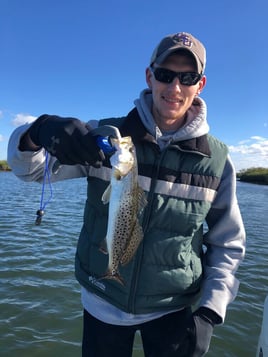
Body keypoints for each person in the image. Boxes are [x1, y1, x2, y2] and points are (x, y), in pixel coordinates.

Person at [8, 32, 246, 357]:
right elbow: (31, 171)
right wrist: (36, 132)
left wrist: (210, 311)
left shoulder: (216, 161)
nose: (175, 88)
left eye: (187, 78)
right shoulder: (105, 138)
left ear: (199, 85)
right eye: (165, 75)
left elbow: (227, 244)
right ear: (150, 77)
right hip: (102, 301)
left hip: (174, 311)